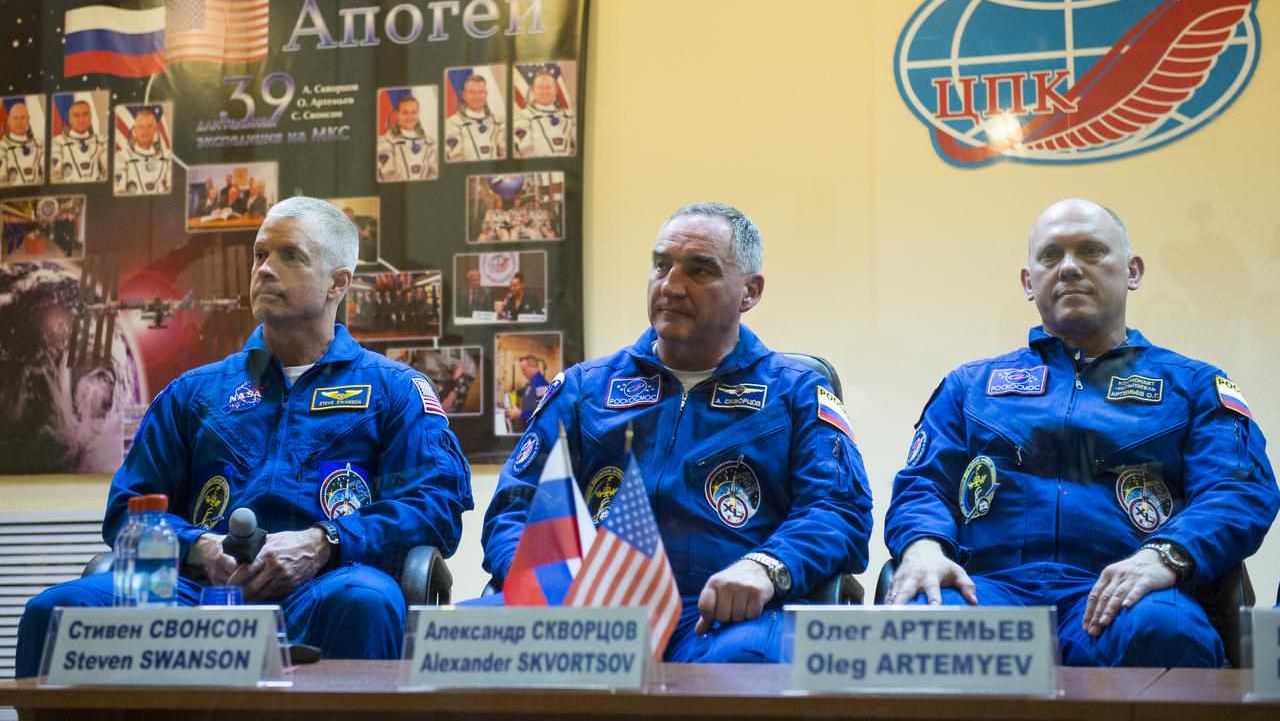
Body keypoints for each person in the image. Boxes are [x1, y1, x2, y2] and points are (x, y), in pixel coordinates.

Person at [15, 196, 474, 677]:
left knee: (365, 602)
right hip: (199, 591)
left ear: (339, 283)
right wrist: (199, 549)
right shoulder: (194, 394)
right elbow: (126, 512)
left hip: (328, 582)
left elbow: (435, 506)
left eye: (289, 256)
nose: (265, 270)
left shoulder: (394, 391)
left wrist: (325, 541)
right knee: (57, 610)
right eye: (259, 255)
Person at [883, 197, 1279, 668]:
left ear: (1132, 271)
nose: (1069, 268)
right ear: (1029, 283)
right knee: (920, 624)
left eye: (1091, 251)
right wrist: (923, 545)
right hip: (987, 591)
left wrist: (1168, 554)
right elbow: (924, 484)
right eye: (1051, 256)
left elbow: (1238, 490)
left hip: (1128, 589)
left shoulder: (1194, 386)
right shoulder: (969, 386)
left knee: (1165, 629)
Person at [482, 202, 873, 663]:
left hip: (725, 615)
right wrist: (547, 581)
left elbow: (838, 508)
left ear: (749, 291)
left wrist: (767, 567)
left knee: (751, 665)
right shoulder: (585, 388)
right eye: (661, 265)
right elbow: (515, 507)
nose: (670, 286)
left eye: (700, 270)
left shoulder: (796, 391)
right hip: (588, 606)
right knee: (454, 647)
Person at [513, 70, 576, 158]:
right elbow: (525, 148)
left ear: (556, 89)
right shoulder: (523, 116)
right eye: (540, 87)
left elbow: (579, 145)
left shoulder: (569, 116)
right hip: (538, 168)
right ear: (533, 90)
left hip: (567, 168)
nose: (544, 91)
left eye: (548, 87)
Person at [444, 74, 506, 162]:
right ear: (464, 95)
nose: (477, 96)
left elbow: (505, 154)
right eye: (472, 92)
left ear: (486, 94)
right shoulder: (451, 124)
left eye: (480, 92)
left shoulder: (499, 122)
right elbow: (454, 158)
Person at [376, 95, 437, 182]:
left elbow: (435, 173)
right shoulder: (385, 142)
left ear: (418, 113)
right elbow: (384, 175)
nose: (410, 117)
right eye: (405, 113)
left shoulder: (430, 143)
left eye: (413, 112)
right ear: (397, 114)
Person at [113, 108, 170, 196]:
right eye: (141, 127)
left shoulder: (167, 157)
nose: (145, 131)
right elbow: (119, 192)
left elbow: (171, 190)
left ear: (155, 130)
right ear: (135, 131)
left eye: (149, 126)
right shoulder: (122, 157)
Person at [50, 98, 107, 183]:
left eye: (85, 114)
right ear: (69, 119)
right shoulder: (57, 143)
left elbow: (109, 169)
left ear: (91, 117)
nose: (81, 119)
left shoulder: (102, 141)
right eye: (76, 115)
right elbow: (54, 176)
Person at [0, 101, 44, 187]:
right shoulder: (2, 148)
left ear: (28, 119)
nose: (19, 122)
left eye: (22, 117)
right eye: (15, 118)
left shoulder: (39, 145)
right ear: (8, 121)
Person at [502, 356, 548, 433]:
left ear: (533, 367)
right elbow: (525, 391)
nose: (523, 373)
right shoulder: (532, 383)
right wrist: (512, 393)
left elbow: (541, 413)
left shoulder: (541, 385)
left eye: (524, 370)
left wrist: (520, 414)